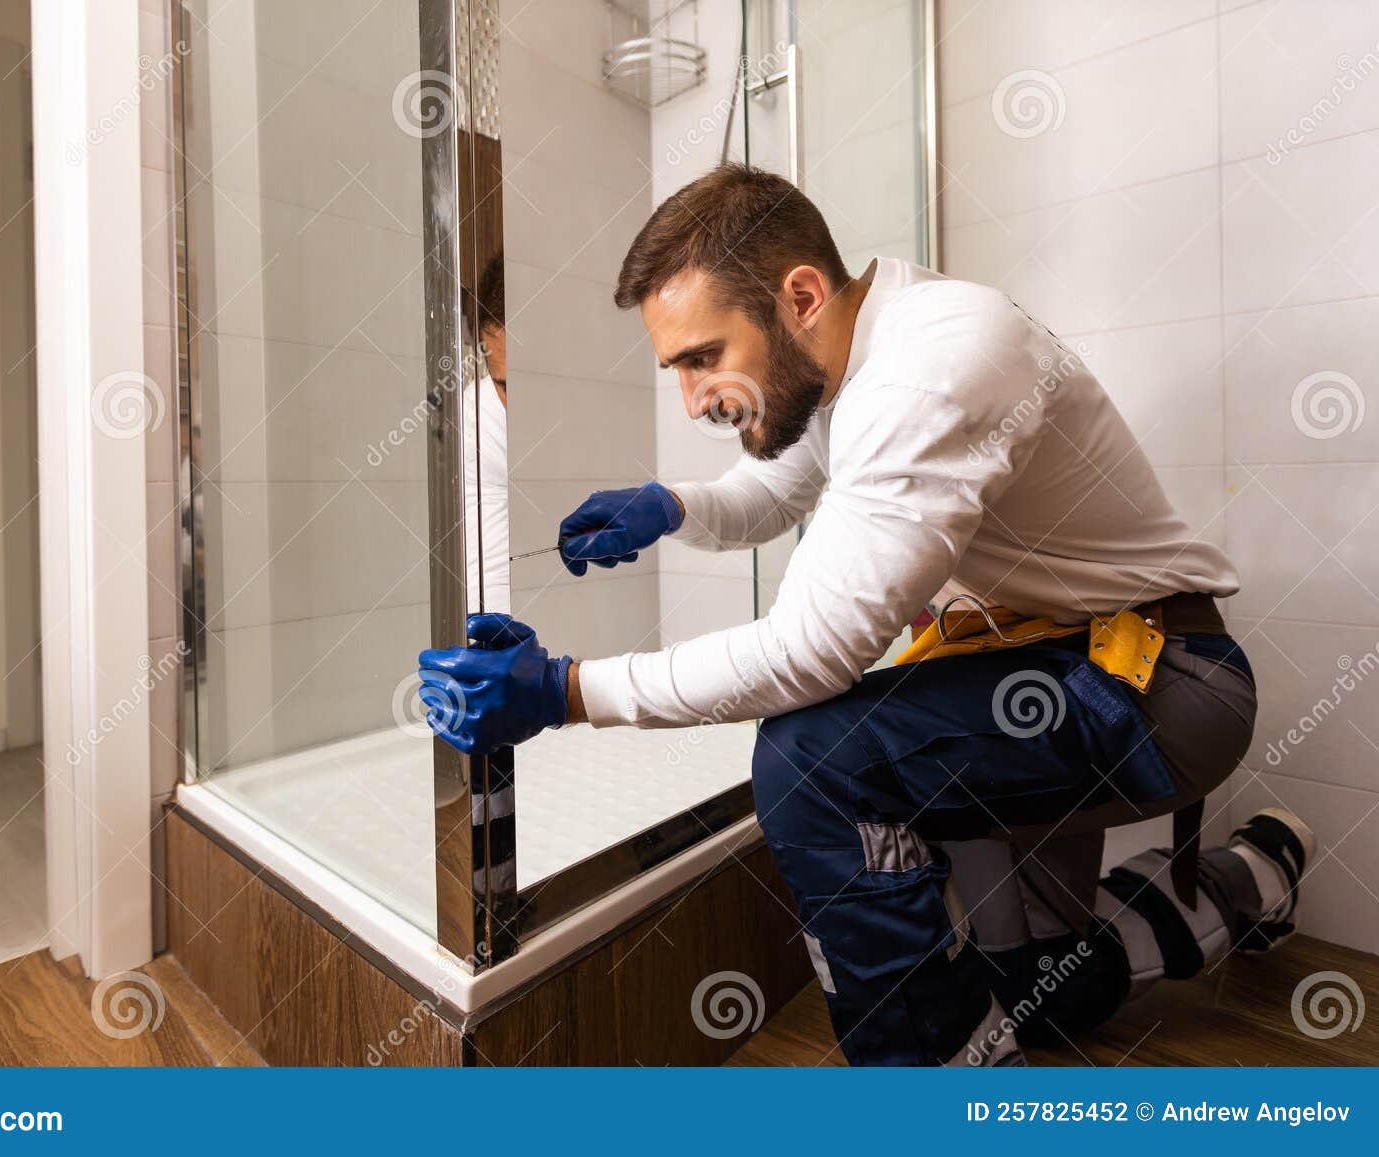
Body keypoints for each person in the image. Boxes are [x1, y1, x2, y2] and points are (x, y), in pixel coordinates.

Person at [417, 164, 1314, 1066]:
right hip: (1043, 677)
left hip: (1158, 683)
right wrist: (672, 504)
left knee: (814, 761)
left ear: (800, 294)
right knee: (1034, 993)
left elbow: (812, 653)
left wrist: (564, 690)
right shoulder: (860, 346)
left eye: (703, 358)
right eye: (677, 368)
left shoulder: (931, 367)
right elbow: (775, 489)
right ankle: (1254, 874)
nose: (695, 400)